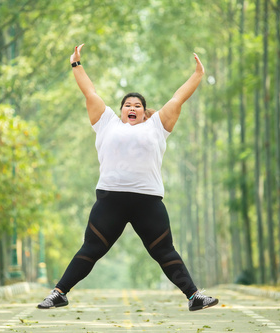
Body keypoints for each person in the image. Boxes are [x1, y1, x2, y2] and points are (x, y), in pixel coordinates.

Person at [37, 44, 218, 312]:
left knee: (165, 252)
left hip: (148, 202)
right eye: (127, 105)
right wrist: (76, 64)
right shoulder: (106, 122)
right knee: (91, 249)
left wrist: (197, 75)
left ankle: (194, 297)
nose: (132, 108)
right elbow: (89, 91)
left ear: (145, 113)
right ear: (121, 110)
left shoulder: (157, 127)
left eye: (137, 106)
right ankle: (59, 293)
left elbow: (178, 99)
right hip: (110, 199)